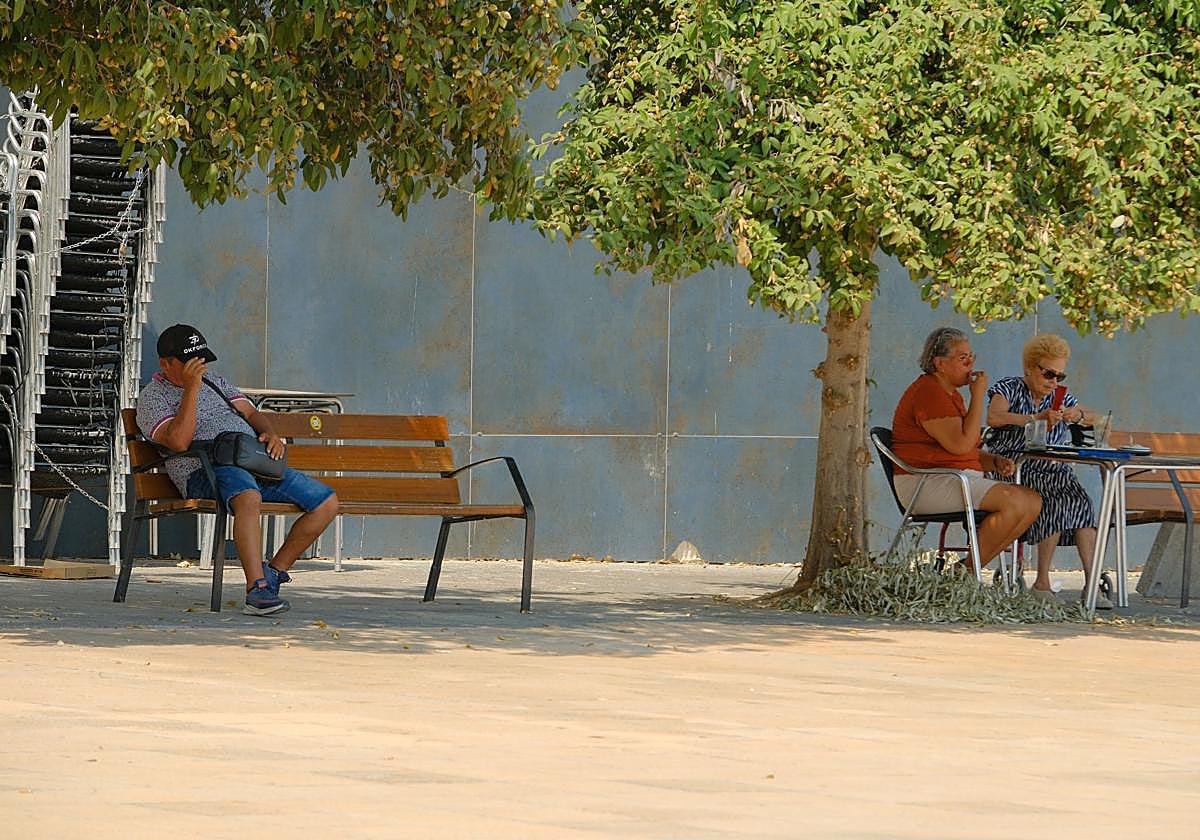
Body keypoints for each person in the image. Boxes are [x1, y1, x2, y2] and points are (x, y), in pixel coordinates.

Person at [136, 324, 339, 616]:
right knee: (248, 497)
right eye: (190, 362)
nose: (199, 367)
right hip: (204, 469)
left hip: (252, 462)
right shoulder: (153, 398)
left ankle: (273, 573)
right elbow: (179, 442)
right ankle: (256, 590)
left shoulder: (216, 381)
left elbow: (252, 413)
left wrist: (269, 433)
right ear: (166, 364)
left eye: (202, 360)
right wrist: (192, 389)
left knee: (326, 502)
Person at [891, 326, 1042, 573]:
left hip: (953, 477)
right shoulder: (929, 392)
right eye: (963, 358)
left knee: (1032, 501)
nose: (970, 363)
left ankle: (965, 570)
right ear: (940, 363)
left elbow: (962, 449)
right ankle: (966, 573)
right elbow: (960, 445)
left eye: (972, 356)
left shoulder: (951, 395)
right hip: (926, 483)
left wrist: (993, 461)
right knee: (1014, 502)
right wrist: (979, 395)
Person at [984, 333, 1110, 608]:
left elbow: (1094, 418)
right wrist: (1034, 418)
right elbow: (994, 418)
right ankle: (1042, 582)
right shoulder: (1008, 388)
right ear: (1030, 367)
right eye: (1049, 374)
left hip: (1054, 468)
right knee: (1054, 502)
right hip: (1015, 466)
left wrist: (1075, 416)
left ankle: (1092, 584)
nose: (1054, 381)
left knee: (1082, 506)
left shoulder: (1060, 396)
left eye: (1059, 376)